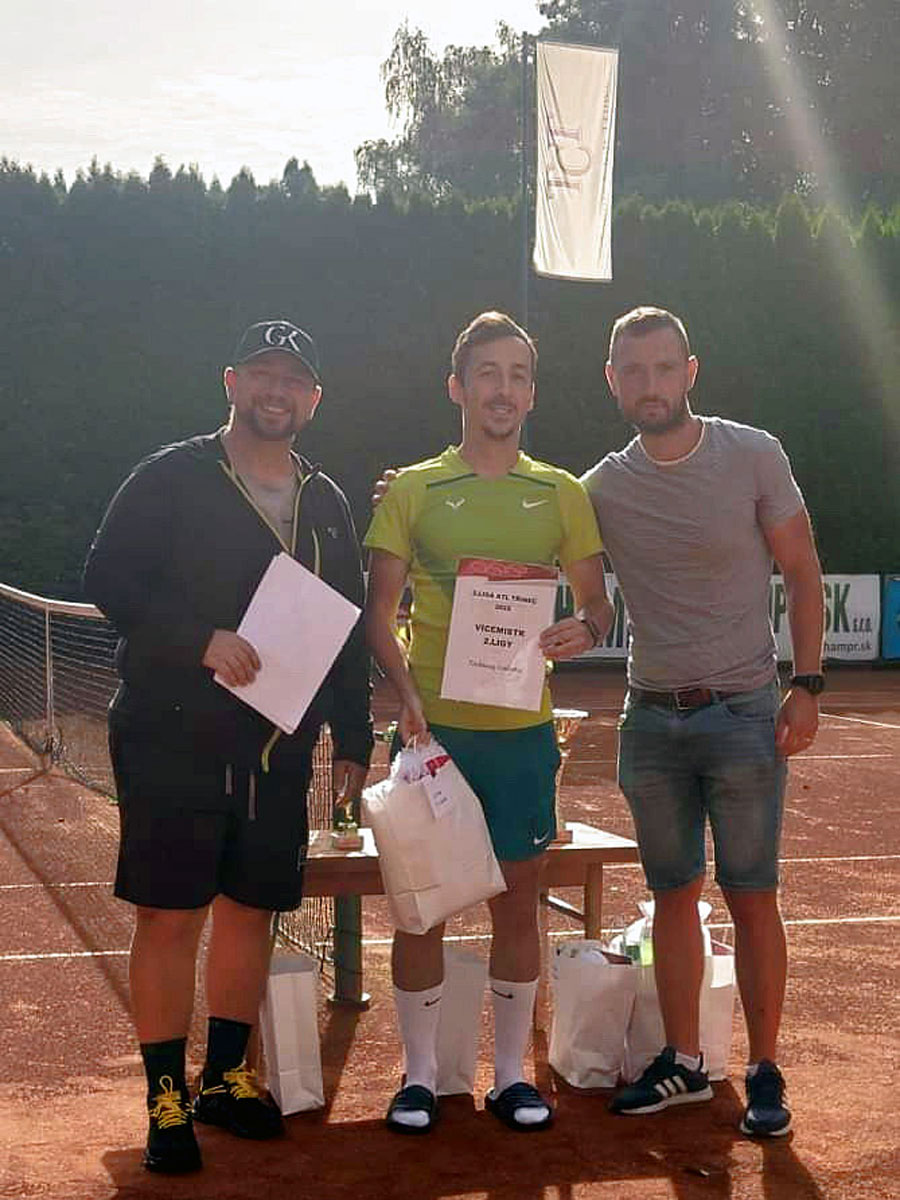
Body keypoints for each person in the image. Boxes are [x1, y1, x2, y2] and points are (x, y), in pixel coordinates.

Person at [83, 319, 372, 1172]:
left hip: (277, 749)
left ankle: (224, 1079)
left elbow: (347, 626)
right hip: (171, 736)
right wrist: (197, 640)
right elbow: (107, 579)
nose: (277, 391)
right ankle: (165, 1095)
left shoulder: (327, 502)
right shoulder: (171, 476)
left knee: (251, 911)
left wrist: (354, 735)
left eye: (294, 380)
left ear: (314, 400)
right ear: (232, 383)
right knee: (171, 916)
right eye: (262, 374)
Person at [364, 311, 613, 1135]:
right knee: (422, 909)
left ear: (531, 393)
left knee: (518, 903)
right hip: (434, 738)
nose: (502, 390)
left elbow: (598, 604)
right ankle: (420, 1079)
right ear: (458, 387)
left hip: (521, 737)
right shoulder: (413, 489)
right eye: (487, 374)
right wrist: (406, 695)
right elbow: (377, 615)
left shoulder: (562, 493)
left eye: (517, 375)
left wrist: (586, 627)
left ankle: (510, 1077)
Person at [581, 306, 824, 1138]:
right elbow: (519, 530)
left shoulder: (754, 454)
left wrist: (809, 685)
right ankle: (683, 1062)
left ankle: (764, 1070)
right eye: (632, 371)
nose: (649, 384)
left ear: (690, 372)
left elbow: (802, 570)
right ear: (613, 382)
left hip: (746, 715)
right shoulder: (599, 488)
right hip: (650, 722)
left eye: (663, 367)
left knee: (753, 896)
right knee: (672, 896)